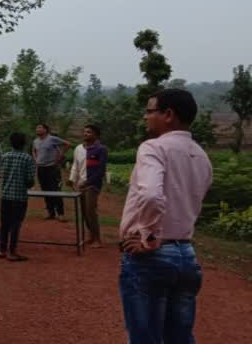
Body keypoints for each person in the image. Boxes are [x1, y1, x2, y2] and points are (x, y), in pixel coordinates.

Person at [119, 89, 213, 343]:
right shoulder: (201, 156)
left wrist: (147, 236)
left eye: (150, 111)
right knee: (180, 337)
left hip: (153, 256)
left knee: (145, 337)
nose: (145, 117)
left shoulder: (153, 148)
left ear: (168, 114)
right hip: (187, 255)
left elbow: (150, 194)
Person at [0, 132, 36, 261]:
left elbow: (2, 174)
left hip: (5, 196)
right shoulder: (27, 158)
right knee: (15, 224)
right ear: (24, 143)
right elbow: (30, 181)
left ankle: (2, 250)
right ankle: (12, 252)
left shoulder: (5, 156)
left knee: (4, 224)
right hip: (19, 197)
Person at [70, 124, 107, 248]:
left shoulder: (101, 149)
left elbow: (101, 170)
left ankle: (97, 239)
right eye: (85, 132)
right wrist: (72, 179)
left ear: (96, 135)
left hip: (92, 185)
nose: (86, 134)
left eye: (89, 132)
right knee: (85, 212)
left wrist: (88, 182)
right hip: (81, 184)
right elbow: (76, 165)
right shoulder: (79, 149)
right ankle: (91, 237)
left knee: (91, 211)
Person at [32, 124, 71, 221]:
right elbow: (34, 150)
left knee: (55, 190)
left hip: (52, 168)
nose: (37, 129)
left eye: (40, 127)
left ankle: (61, 213)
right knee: (45, 190)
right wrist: (36, 159)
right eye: (37, 127)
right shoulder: (35, 141)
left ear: (46, 130)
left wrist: (60, 156)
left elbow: (68, 144)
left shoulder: (52, 139)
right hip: (41, 169)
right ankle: (50, 212)